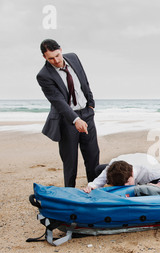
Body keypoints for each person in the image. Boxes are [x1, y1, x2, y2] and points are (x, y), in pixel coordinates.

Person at [37, 39, 100, 187]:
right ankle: (69, 194)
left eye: (58, 55)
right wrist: (75, 119)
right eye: (51, 58)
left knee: (92, 157)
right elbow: (58, 101)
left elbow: (84, 81)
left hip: (87, 114)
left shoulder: (73, 58)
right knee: (70, 161)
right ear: (44, 57)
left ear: (61, 50)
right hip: (67, 120)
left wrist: (91, 105)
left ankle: (95, 190)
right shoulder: (43, 75)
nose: (56, 60)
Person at [83, 153, 160, 193]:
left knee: (153, 185)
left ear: (132, 174)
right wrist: (91, 187)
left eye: (127, 182)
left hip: (146, 162)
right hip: (126, 160)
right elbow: (97, 182)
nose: (126, 186)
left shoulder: (151, 170)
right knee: (98, 169)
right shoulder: (111, 167)